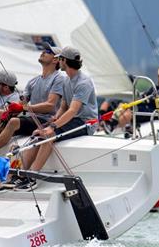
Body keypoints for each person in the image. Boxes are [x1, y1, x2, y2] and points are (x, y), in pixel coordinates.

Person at [0, 43, 65, 163]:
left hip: (46, 120)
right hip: (31, 119)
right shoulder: (33, 81)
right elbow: (20, 103)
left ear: (55, 59)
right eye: (44, 49)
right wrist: (12, 110)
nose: (43, 51)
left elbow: (50, 106)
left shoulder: (59, 78)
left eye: (48, 51)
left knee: (14, 122)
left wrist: (23, 109)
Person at [15, 46, 98, 190]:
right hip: (72, 119)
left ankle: (32, 177)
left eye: (60, 58)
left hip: (85, 122)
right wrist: (53, 120)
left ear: (64, 60)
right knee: (40, 133)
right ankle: (21, 175)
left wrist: (52, 127)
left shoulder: (83, 82)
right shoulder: (67, 80)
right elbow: (63, 107)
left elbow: (73, 111)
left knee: (49, 135)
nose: (58, 61)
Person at [116, 64, 159, 132]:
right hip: (147, 109)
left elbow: (152, 99)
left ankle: (116, 129)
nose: (158, 77)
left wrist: (144, 98)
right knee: (122, 106)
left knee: (128, 113)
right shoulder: (156, 88)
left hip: (156, 114)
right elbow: (145, 96)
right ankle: (112, 125)